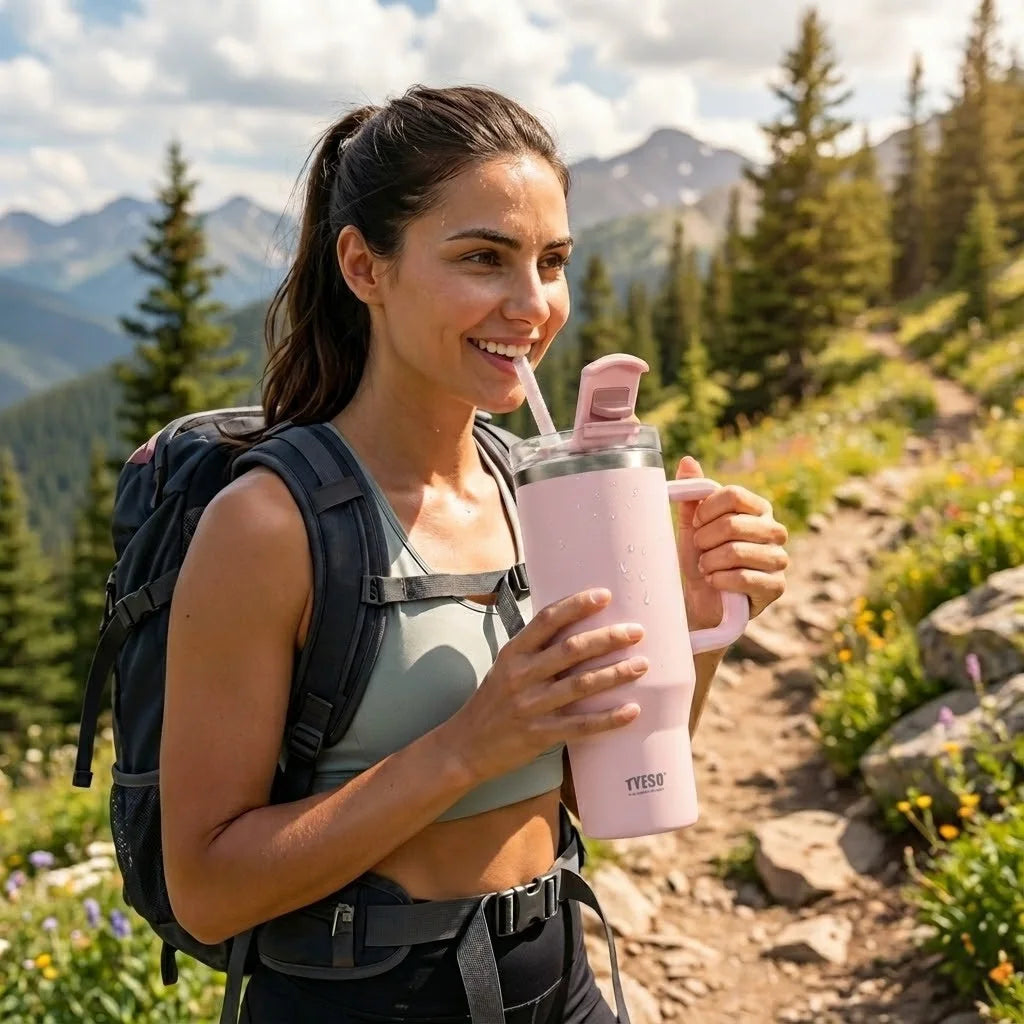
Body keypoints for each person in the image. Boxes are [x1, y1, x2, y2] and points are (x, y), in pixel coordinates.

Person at [160, 84, 789, 1024]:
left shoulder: (533, 486)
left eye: (553, 261)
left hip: (559, 975)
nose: (533, 306)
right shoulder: (270, 525)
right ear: (365, 268)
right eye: (484, 259)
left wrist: (695, 630)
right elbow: (206, 888)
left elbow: (589, 786)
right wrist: (465, 747)